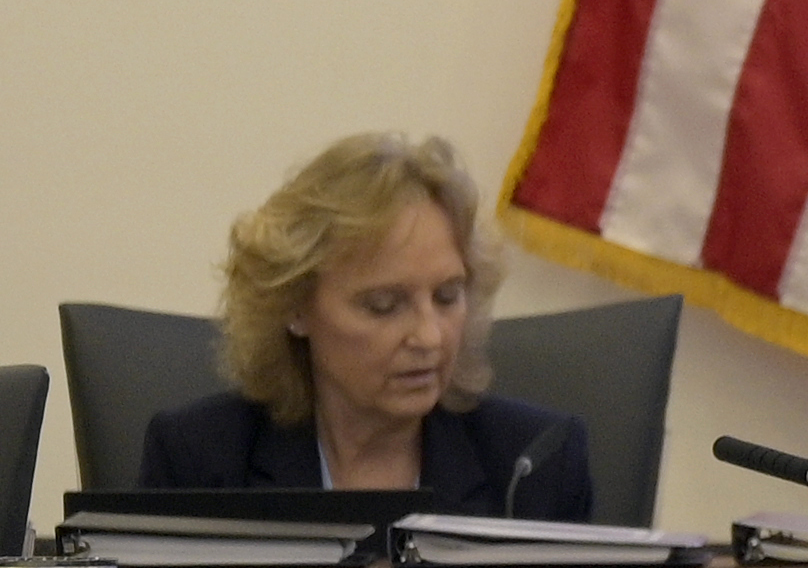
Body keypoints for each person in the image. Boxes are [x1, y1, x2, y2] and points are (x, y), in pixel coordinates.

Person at [137, 133, 594, 511]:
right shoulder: (198, 462)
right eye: (383, 305)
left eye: (447, 296)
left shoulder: (534, 468)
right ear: (295, 307)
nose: (429, 336)